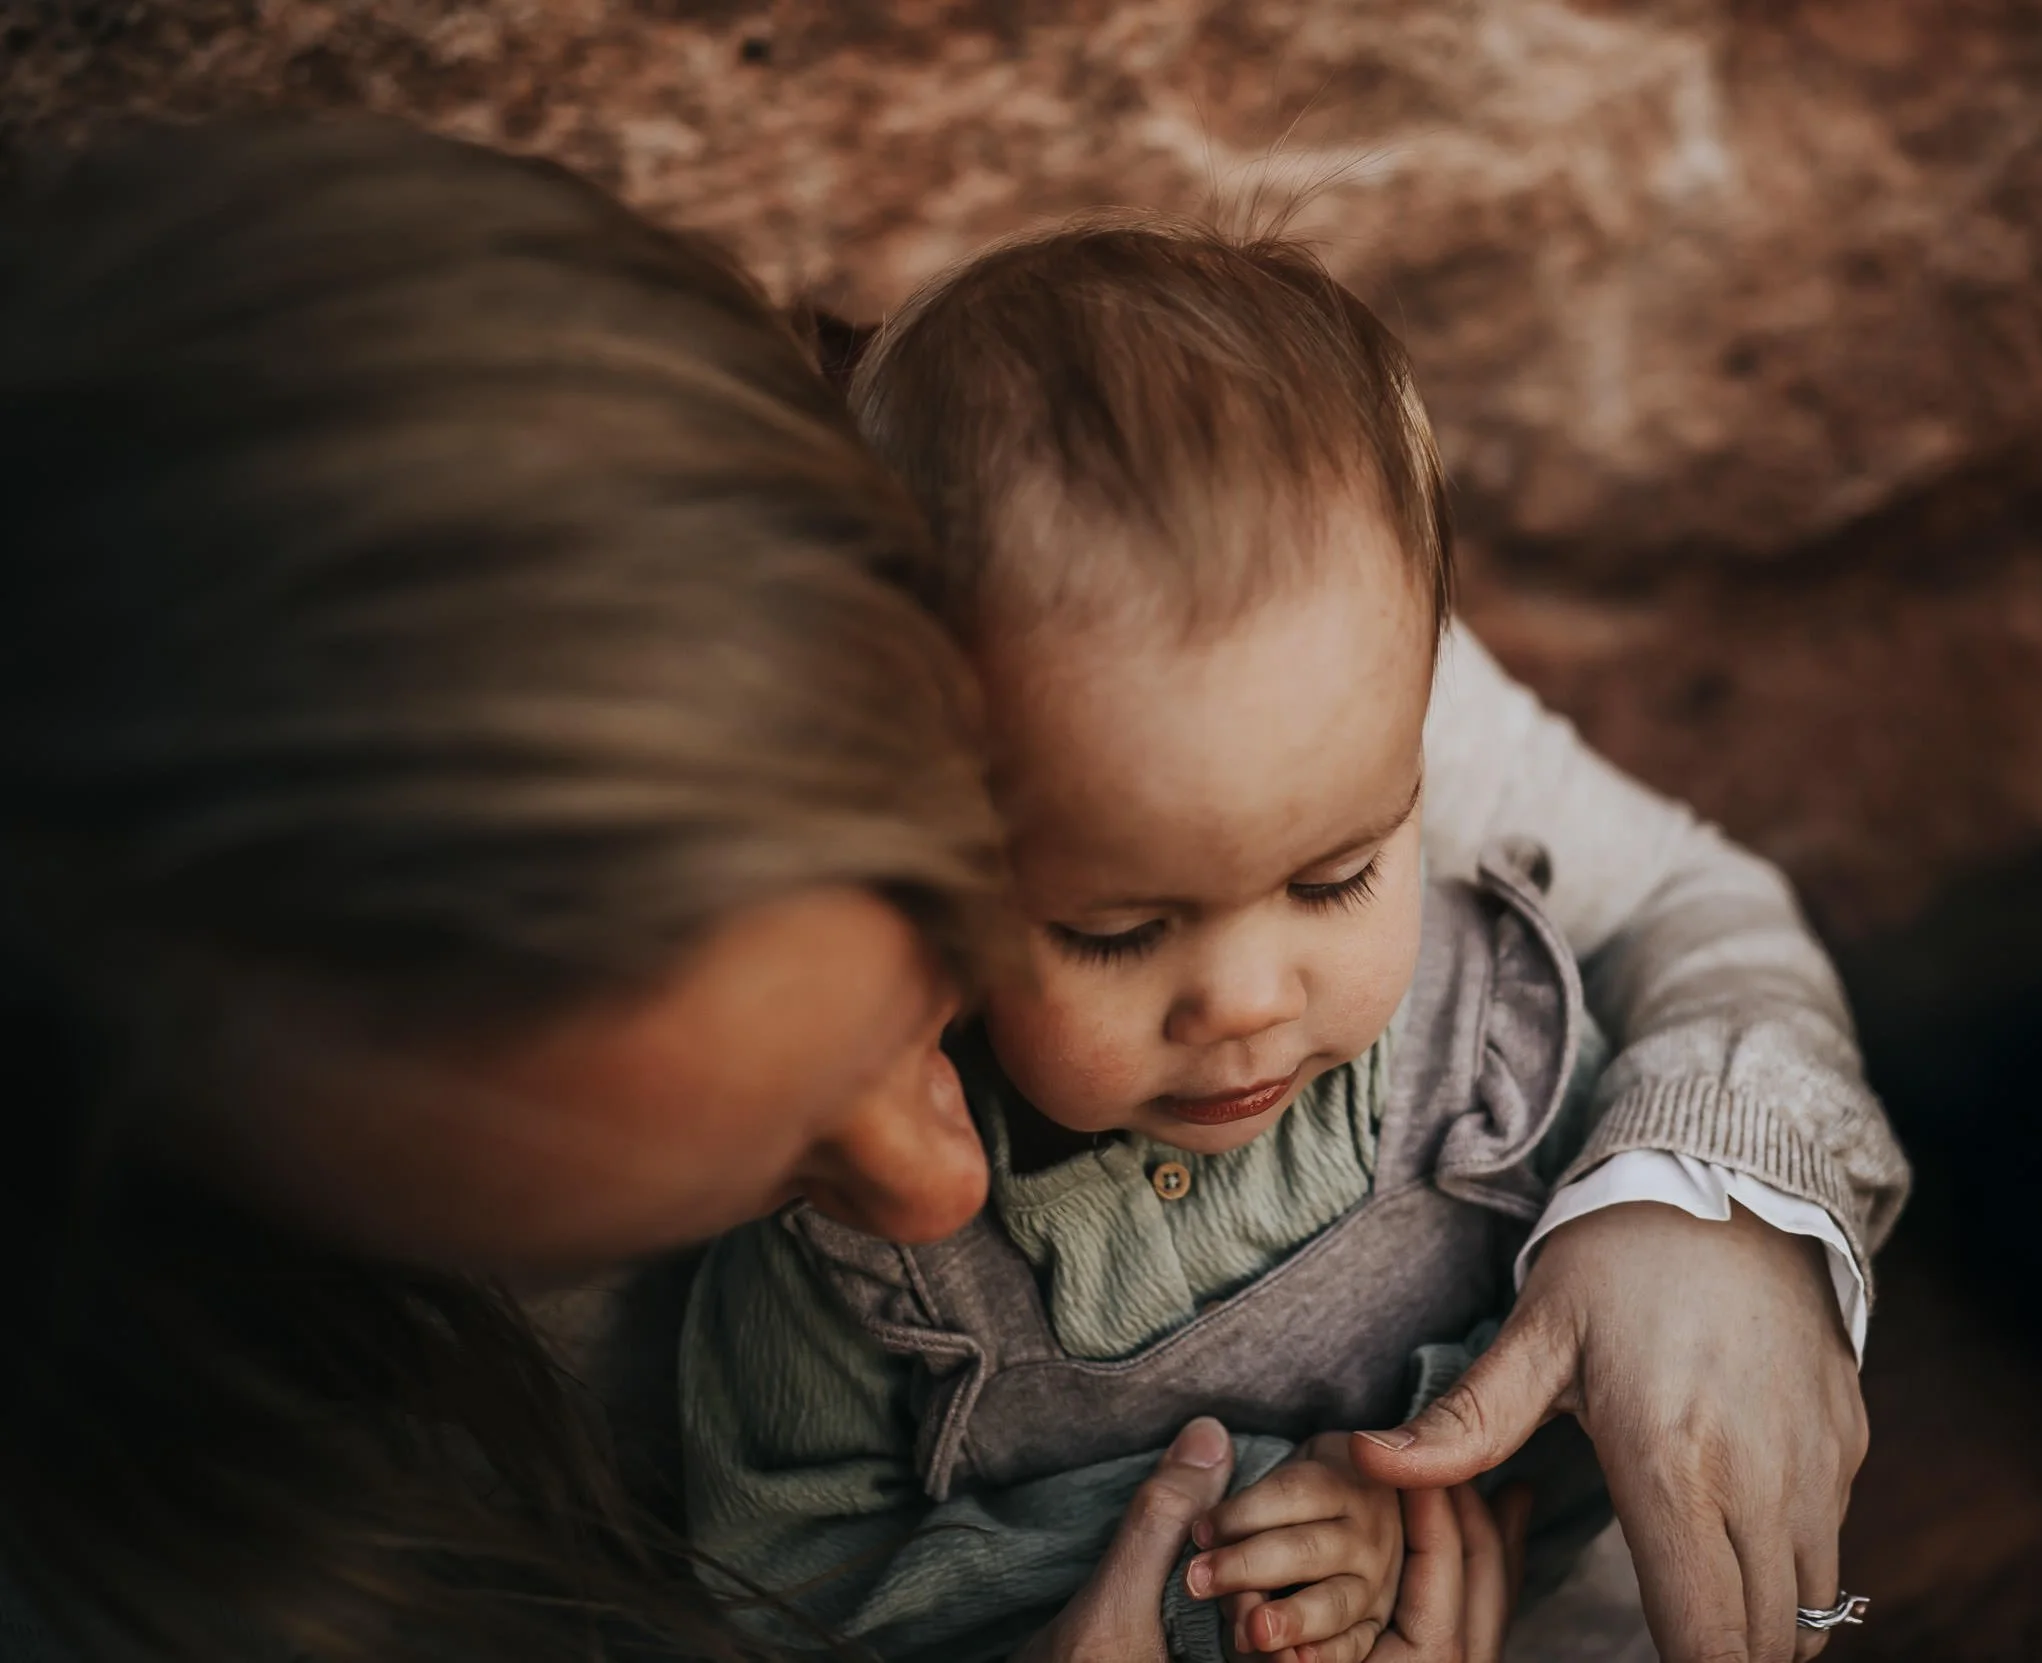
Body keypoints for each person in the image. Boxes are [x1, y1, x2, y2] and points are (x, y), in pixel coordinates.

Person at [0, 117, 1523, 1663]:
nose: (947, 1193)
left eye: (941, 947)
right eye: (770, 1162)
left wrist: (1688, 1216)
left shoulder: (1050, 579)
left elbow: (1644, 895)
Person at [683, 217, 1909, 1663]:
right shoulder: (852, 1268)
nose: (1252, 1000)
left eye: (1337, 878)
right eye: (1116, 929)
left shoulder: (1500, 1046)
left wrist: (1698, 1216)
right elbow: (771, 1602)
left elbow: (1651, 1438)